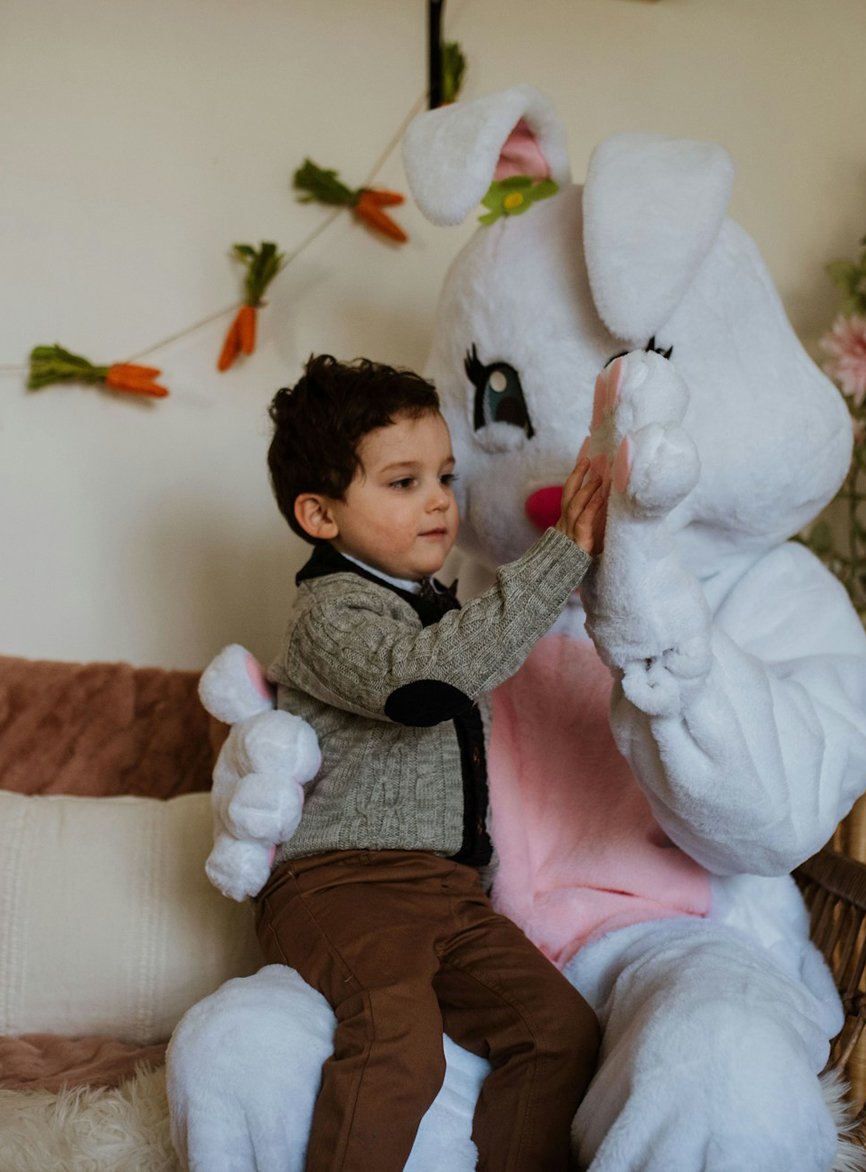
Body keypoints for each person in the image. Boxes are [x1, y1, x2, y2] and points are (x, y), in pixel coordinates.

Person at [256, 354, 605, 1172]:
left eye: (445, 475)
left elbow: (464, 652)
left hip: (447, 891)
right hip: (342, 884)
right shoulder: (328, 614)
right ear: (319, 514)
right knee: (398, 1040)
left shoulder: (433, 606)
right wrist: (558, 557)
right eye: (403, 482)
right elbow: (422, 684)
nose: (441, 499)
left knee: (558, 1032)